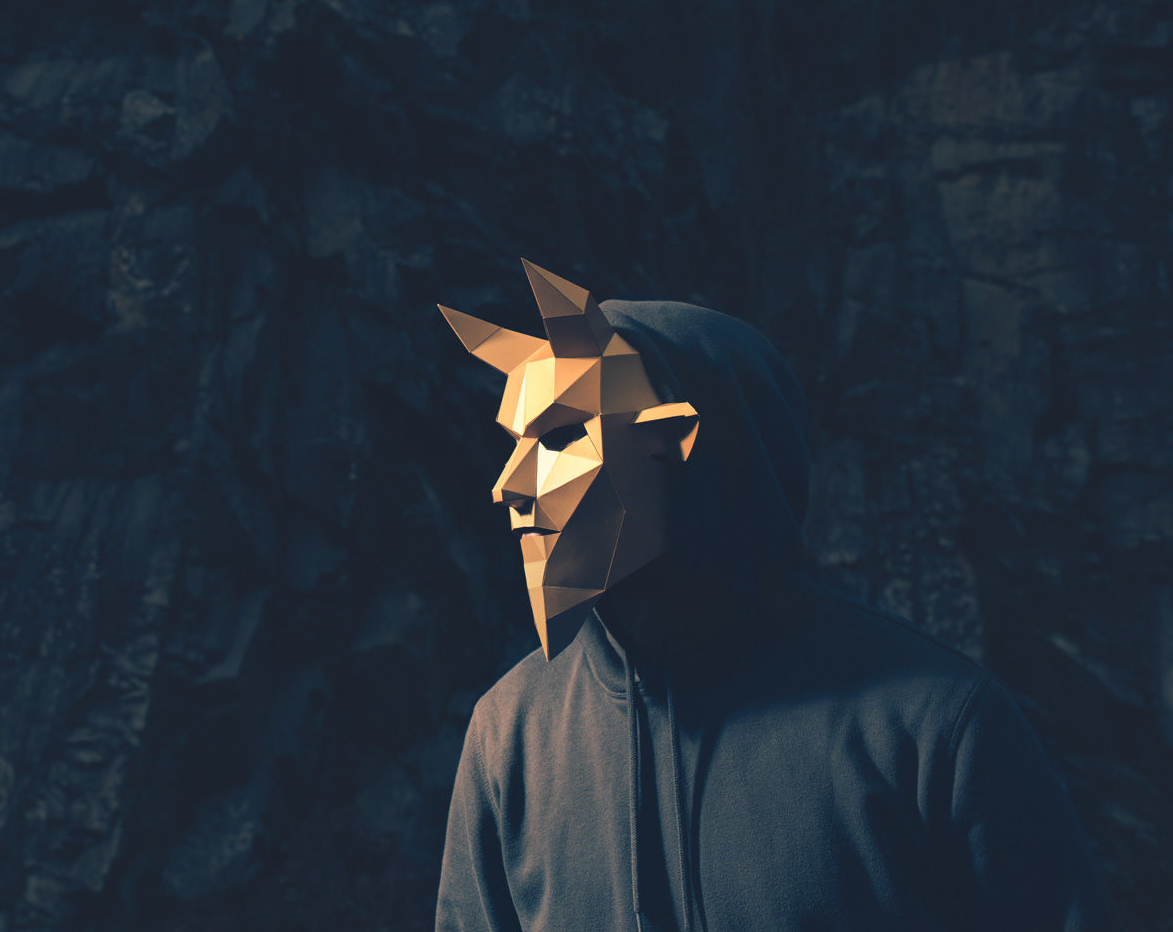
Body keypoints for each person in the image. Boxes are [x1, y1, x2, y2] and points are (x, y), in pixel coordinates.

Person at [433, 262, 1121, 932]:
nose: (510, 484)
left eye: (558, 437)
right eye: (516, 442)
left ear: (684, 443)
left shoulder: (933, 729)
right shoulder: (509, 736)